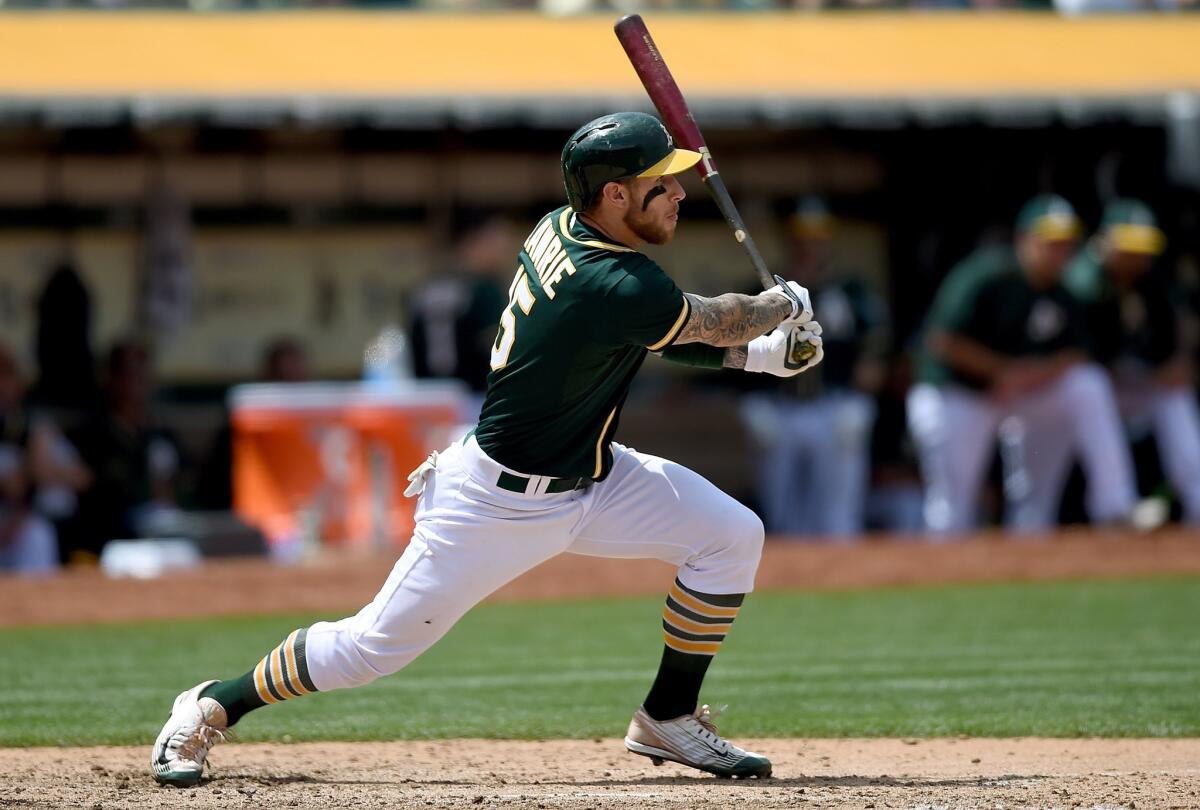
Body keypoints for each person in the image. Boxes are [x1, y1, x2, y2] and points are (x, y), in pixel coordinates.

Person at [150, 111, 824, 786]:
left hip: (594, 479)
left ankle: (669, 718)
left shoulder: (562, 229)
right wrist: (778, 306)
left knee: (731, 536)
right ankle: (211, 705)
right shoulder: (610, 279)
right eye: (660, 183)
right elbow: (703, 322)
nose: (679, 194)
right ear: (613, 196)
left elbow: (658, 332)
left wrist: (762, 359)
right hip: (495, 502)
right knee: (368, 650)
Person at [907, 194, 1137, 534]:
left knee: (1087, 384)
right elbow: (941, 340)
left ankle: (1115, 508)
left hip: (1023, 394)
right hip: (959, 394)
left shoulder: (1067, 291)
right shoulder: (986, 274)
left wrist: (1030, 375)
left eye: (1064, 243)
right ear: (1023, 240)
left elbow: (1079, 353)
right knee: (952, 510)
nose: (1058, 252)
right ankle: (941, 563)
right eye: (1049, 242)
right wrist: (1003, 371)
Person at [740, 197, 889, 538]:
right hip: (780, 406)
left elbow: (877, 345)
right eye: (802, 238)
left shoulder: (851, 292)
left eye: (818, 238)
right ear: (789, 241)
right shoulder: (765, 292)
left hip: (834, 404)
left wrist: (868, 373)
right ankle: (793, 578)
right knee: (781, 512)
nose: (810, 246)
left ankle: (842, 576)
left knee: (838, 513)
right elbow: (739, 349)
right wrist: (752, 402)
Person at [1064, 199, 1200, 525]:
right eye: (1128, 248)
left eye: (1142, 248)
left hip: (1133, 383)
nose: (1137, 257)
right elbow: (1082, 356)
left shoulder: (1153, 278)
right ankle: (1115, 506)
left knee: (1174, 394)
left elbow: (1177, 330)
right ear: (1105, 242)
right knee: (1090, 385)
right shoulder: (1084, 282)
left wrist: (1179, 363)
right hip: (1073, 392)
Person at [72, 340, 181, 557]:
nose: (136, 383)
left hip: (162, 534)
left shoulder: (160, 433)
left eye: (142, 374)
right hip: (111, 540)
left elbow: (180, 488)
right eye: (128, 374)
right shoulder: (93, 433)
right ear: (112, 378)